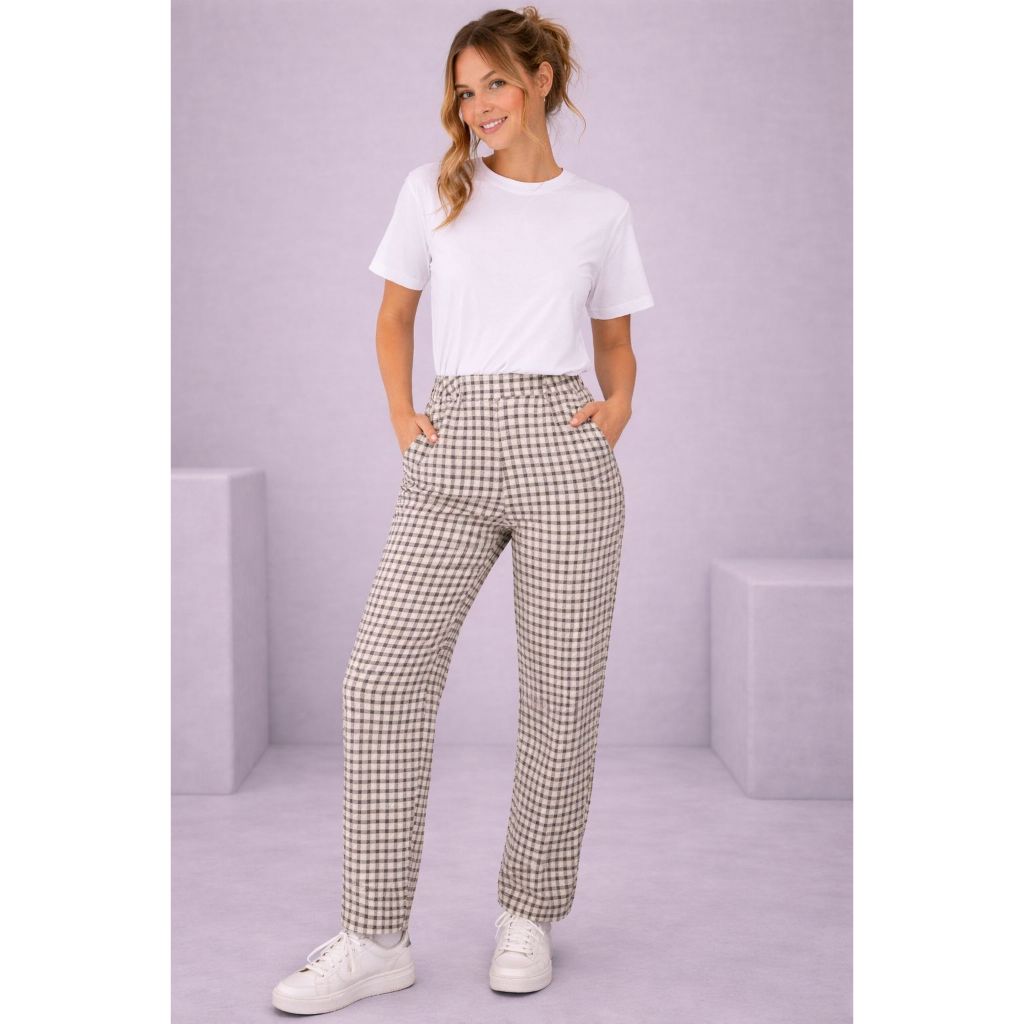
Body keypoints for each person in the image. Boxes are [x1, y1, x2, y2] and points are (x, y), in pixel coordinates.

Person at [272, 5, 653, 1014]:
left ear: (539, 82)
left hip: (562, 450)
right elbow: (394, 317)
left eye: (494, 84)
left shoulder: (600, 210)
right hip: (454, 444)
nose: (477, 105)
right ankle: (374, 937)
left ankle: (529, 914)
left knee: (561, 696)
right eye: (463, 89)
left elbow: (616, 343)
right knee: (380, 681)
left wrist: (614, 412)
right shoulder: (432, 189)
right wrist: (404, 415)